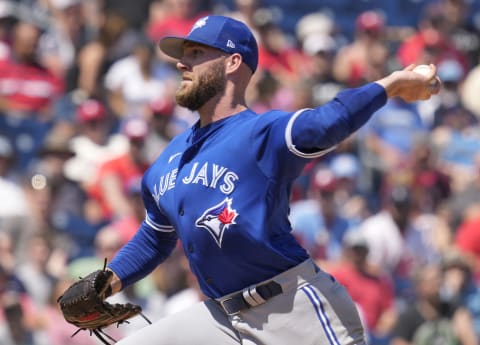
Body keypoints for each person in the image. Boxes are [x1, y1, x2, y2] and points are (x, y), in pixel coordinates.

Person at [63, 15, 441, 345]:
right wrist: (107, 281)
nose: (181, 63)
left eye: (196, 53)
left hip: (291, 310)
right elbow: (155, 236)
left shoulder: (263, 133)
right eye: (183, 54)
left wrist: (391, 84)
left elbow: (329, 122)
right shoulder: (168, 159)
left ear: (232, 62)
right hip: (221, 318)